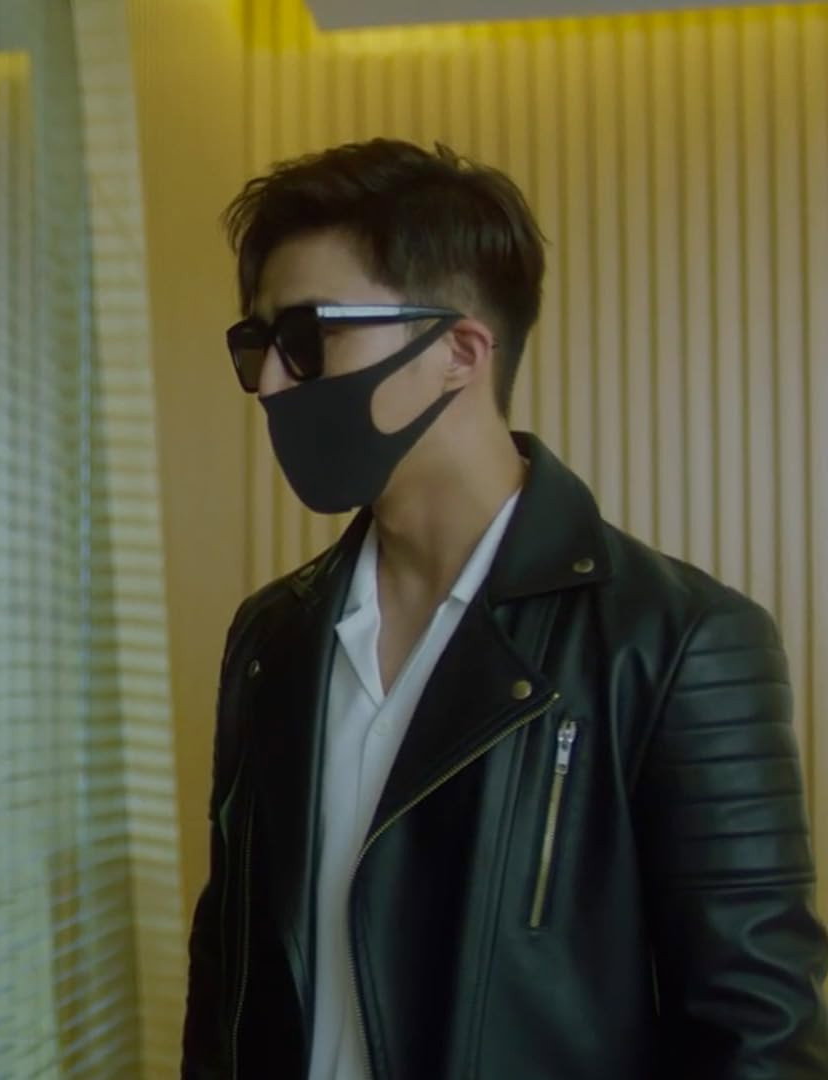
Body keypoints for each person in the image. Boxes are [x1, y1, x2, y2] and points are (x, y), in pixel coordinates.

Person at [181, 138, 828, 1079]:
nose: (273, 383)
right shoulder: (270, 637)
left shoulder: (678, 641)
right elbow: (228, 973)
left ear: (459, 351)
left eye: (309, 339)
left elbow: (756, 1032)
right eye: (258, 346)